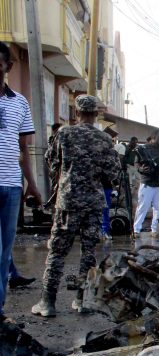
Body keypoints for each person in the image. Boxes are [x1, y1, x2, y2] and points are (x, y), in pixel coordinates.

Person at [31, 95, 119, 317]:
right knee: (88, 253)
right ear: (96, 114)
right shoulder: (104, 139)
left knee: (57, 252)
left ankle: (48, 302)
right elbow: (113, 173)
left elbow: (52, 162)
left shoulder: (64, 133)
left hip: (68, 202)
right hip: (93, 203)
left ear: (77, 113)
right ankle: (81, 300)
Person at [0, 41, 43, 320]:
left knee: (4, 253)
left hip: (12, 186)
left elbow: (24, 148)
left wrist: (33, 184)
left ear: (7, 67)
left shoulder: (20, 102)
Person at [133, 129, 159, 237]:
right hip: (148, 184)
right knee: (143, 207)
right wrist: (141, 169)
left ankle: (155, 230)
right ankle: (136, 230)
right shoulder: (144, 149)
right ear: (153, 138)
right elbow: (137, 163)